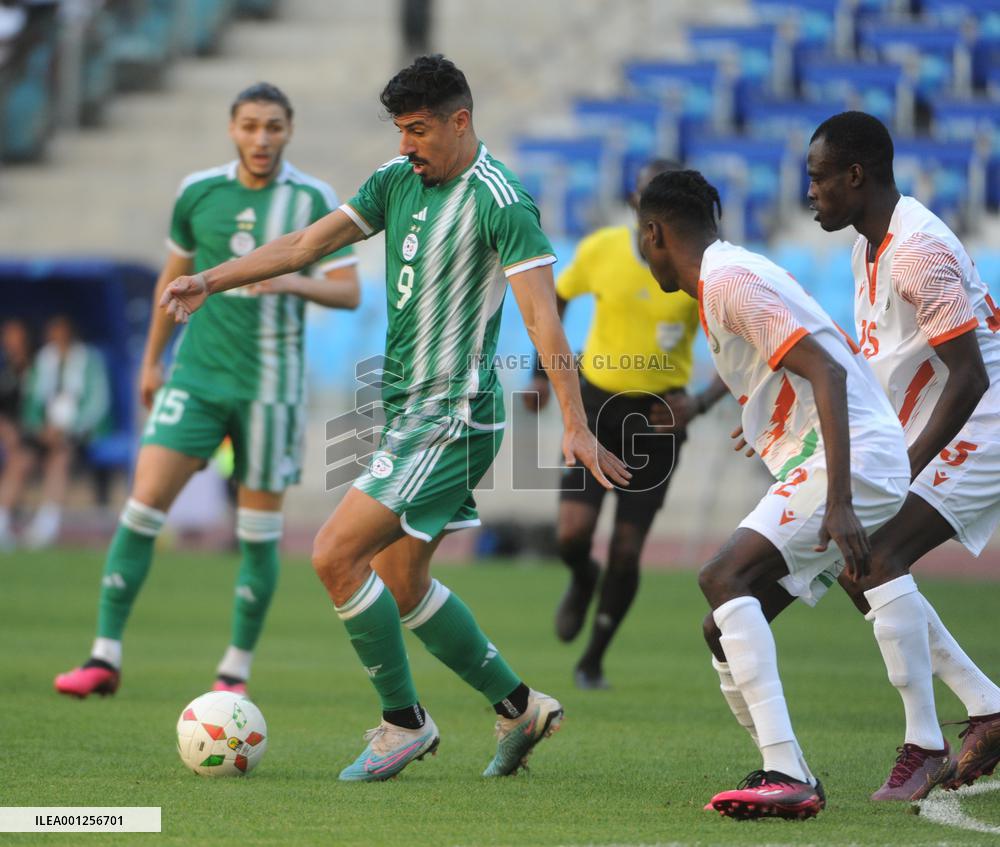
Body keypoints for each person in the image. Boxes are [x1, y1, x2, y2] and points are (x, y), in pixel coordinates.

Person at [160, 54, 630, 782]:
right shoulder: (395, 181)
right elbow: (304, 246)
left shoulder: (501, 200)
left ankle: (401, 723)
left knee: (332, 554)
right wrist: (209, 280)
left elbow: (543, 319)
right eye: (400, 130)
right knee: (400, 578)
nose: (407, 145)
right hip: (409, 408)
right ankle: (518, 706)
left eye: (418, 130)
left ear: (460, 121)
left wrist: (573, 420)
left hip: (451, 413)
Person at [54, 82, 361, 698]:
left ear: (289, 130)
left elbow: (348, 290)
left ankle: (234, 674)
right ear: (233, 129)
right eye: (250, 125)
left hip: (271, 388)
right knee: (141, 509)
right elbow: (173, 280)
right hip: (195, 377)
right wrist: (150, 363)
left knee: (256, 534)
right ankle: (104, 656)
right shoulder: (198, 192)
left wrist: (293, 283)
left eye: (273, 126)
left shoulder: (311, 198)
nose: (261, 138)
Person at [639, 169, 914, 820]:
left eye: (638, 236)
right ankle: (781, 768)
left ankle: (787, 771)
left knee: (721, 574)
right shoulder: (727, 276)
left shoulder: (729, 281)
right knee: (722, 628)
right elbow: (797, 359)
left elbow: (822, 369)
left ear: (654, 234)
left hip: (850, 462)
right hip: (831, 457)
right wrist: (741, 410)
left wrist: (840, 498)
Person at [806, 110, 1000, 799]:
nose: (811, 193)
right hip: (947, 416)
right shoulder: (868, 247)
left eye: (819, 177)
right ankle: (985, 704)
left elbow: (971, 374)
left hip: (986, 420)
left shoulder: (917, 248)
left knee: (877, 555)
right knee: (858, 560)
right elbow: (877, 360)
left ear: (856, 176)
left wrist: (907, 463)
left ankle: (924, 742)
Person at [525, 158, 726, 690]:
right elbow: (556, 298)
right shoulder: (602, 249)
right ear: (635, 203)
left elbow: (745, 348)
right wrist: (541, 373)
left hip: (658, 417)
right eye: (640, 198)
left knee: (628, 548)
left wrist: (698, 403)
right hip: (594, 404)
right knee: (573, 533)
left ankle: (593, 659)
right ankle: (580, 576)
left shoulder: (700, 269)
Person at [19, 314, 110, 549]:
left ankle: (47, 523)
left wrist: (70, 427)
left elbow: (98, 402)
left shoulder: (89, 359)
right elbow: (31, 402)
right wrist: (39, 428)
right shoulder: (43, 359)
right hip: (46, 431)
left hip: (78, 431)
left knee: (59, 458)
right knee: (20, 460)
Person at [0, 317, 33, 550]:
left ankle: (4, 522)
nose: (12, 342)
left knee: (21, 460)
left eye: (17, 337)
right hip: (8, 433)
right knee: (17, 457)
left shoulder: (36, 367)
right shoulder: (4, 370)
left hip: (28, 434)